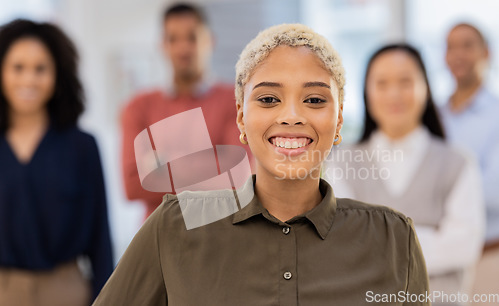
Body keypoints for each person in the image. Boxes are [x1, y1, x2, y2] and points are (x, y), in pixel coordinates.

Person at [93, 24, 429, 306]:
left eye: (314, 99)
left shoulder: (393, 238)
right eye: (269, 99)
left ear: (338, 120)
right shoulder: (174, 227)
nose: (292, 116)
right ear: (241, 117)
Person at [324, 44, 484, 305]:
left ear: (426, 87)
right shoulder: (342, 161)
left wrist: (375, 245)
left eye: (406, 81)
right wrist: (430, 240)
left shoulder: (458, 163)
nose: (394, 94)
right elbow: (342, 247)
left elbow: (464, 246)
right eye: (382, 83)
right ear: (367, 92)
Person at [0, 19, 113, 305]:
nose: (29, 80)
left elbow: (100, 239)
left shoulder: (83, 147)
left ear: (58, 74)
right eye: (18, 67)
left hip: (67, 291)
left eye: (41, 68)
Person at [121, 3, 252, 219]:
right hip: (158, 243)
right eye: (173, 39)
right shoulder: (138, 107)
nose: (183, 48)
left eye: (192, 37)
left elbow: (238, 177)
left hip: (219, 238)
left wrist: (162, 165)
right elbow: (133, 184)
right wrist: (213, 164)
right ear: (162, 45)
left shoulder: (235, 102)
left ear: (210, 41)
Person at [441, 23, 499, 303]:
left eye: (467, 45)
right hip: (438, 259)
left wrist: (434, 191)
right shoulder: (434, 118)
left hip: (489, 257)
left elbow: (493, 193)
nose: (457, 54)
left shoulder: (497, 115)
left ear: (486, 53)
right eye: (451, 46)